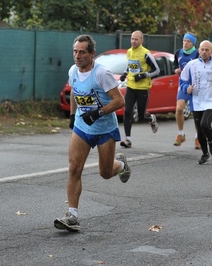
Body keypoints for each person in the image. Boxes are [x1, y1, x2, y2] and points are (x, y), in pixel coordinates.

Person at [54, 34, 131, 232]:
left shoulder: (101, 74)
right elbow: (74, 93)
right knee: (74, 168)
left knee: (105, 173)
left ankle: (120, 164)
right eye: (75, 52)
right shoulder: (73, 71)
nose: (77, 56)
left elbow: (119, 101)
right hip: (83, 126)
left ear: (92, 54)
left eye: (82, 52)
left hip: (104, 128)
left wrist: (98, 113)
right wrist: (72, 116)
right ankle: (72, 215)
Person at [180, 40, 212, 164]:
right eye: (202, 49)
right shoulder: (191, 65)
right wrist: (186, 88)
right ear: (198, 50)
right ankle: (205, 153)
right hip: (196, 101)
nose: (204, 52)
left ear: (211, 52)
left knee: (204, 124)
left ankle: (211, 142)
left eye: (207, 50)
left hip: (211, 101)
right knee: (199, 130)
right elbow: (182, 80)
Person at [119, 30, 160, 148]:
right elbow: (130, 65)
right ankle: (127, 139)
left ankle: (151, 118)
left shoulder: (146, 54)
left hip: (143, 88)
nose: (133, 41)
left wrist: (143, 75)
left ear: (142, 40)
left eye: (136, 39)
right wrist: (124, 73)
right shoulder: (129, 51)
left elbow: (156, 70)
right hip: (131, 86)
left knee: (141, 115)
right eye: (132, 38)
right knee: (127, 112)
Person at [173, 32, 201, 149]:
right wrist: (177, 70)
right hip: (183, 84)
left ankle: (198, 137)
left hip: (195, 86)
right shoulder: (178, 53)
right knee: (179, 109)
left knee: (196, 113)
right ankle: (181, 134)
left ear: (193, 43)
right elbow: (175, 65)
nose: (185, 43)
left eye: (188, 41)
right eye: (184, 40)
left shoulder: (197, 53)